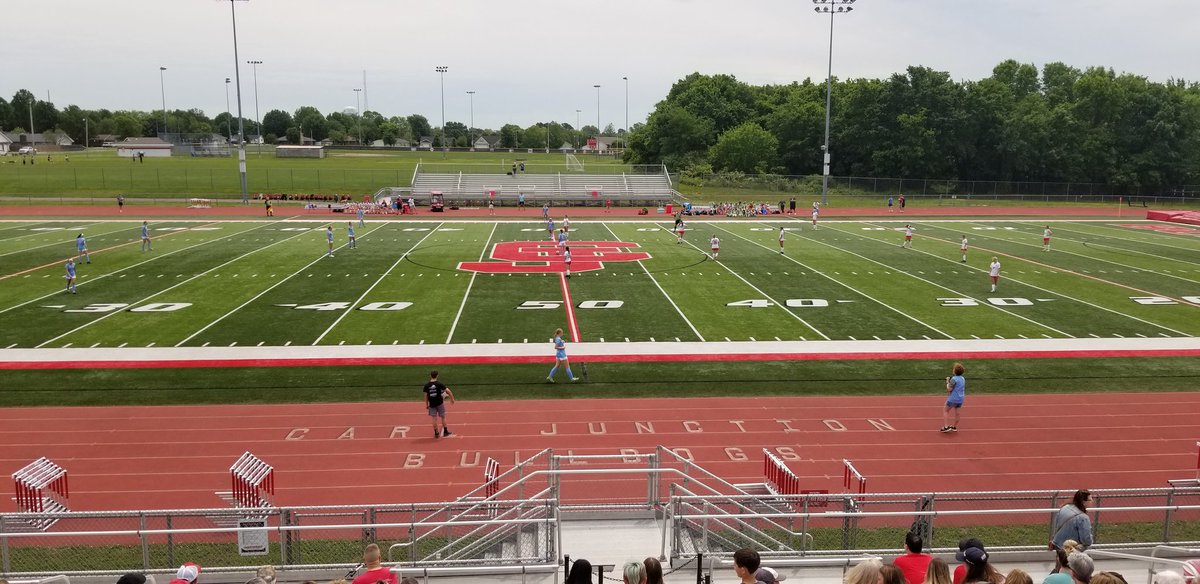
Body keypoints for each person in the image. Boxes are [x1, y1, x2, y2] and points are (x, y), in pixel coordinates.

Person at [423, 370, 455, 438]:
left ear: (430, 375)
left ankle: (436, 433)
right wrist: (452, 399)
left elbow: (425, 396)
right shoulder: (439, 384)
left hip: (432, 404)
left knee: (434, 418)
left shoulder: (426, 385)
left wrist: (426, 404)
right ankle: (445, 431)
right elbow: (448, 391)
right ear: (437, 375)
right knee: (443, 417)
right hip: (440, 403)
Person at [941, 362, 966, 433]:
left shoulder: (953, 379)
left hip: (953, 398)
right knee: (957, 413)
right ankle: (954, 427)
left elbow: (949, 389)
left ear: (954, 371)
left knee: (946, 410)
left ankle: (946, 427)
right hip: (960, 399)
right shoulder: (963, 378)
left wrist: (947, 381)